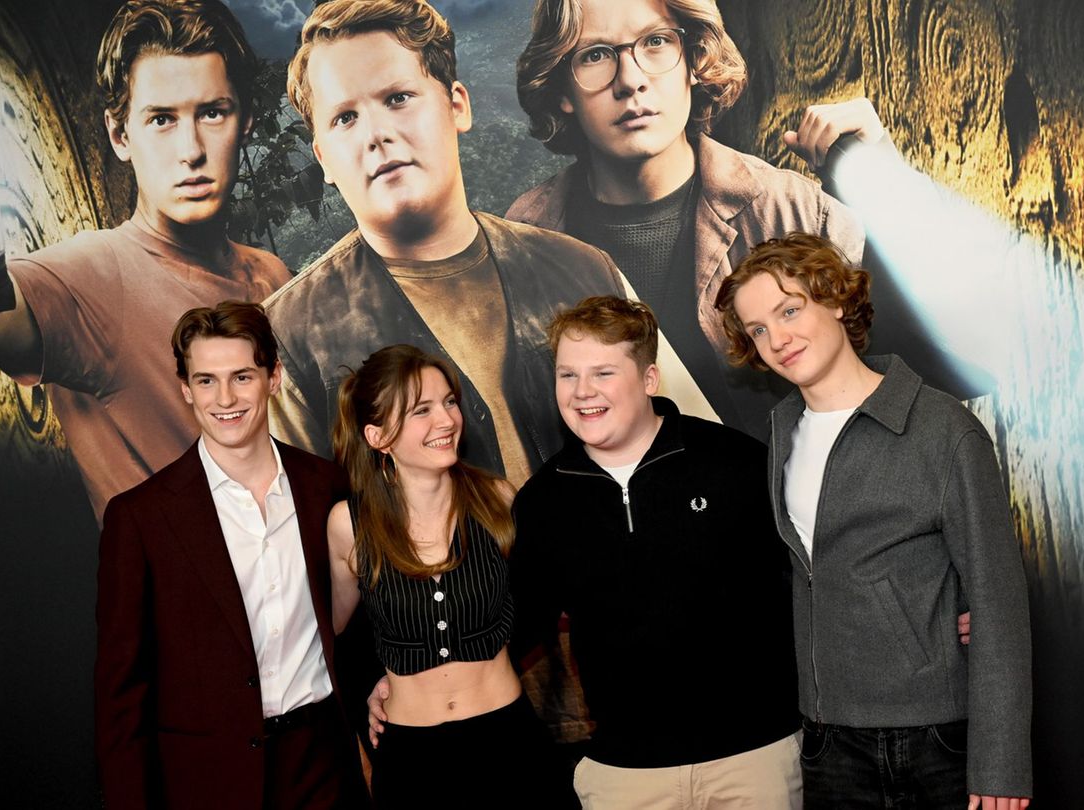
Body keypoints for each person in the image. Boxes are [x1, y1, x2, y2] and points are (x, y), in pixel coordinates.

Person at [0, 0, 288, 522]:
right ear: (120, 135)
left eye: (212, 112)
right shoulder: (96, 276)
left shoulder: (271, 276)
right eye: (161, 119)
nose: (191, 149)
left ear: (245, 121)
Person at [508, 0, 975, 437]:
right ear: (562, 90)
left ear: (694, 60)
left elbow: (955, 369)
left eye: (656, 42)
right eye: (595, 55)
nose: (631, 80)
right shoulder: (523, 238)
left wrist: (890, 184)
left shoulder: (790, 211)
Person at [716, 232, 1032, 810]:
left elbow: (998, 602)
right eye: (758, 329)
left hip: (934, 736)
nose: (777, 340)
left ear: (836, 300)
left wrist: (1001, 765)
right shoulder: (782, 432)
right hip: (827, 738)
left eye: (789, 311)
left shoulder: (942, 429)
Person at [266, 0, 631, 488]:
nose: (377, 134)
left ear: (457, 105)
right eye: (345, 118)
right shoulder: (286, 338)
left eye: (398, 98)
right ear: (323, 159)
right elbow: (303, 525)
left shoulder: (585, 272)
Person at [510, 295, 803, 806]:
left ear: (649, 379)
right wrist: (406, 685)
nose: (582, 392)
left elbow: (810, 585)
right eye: (568, 375)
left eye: (603, 373)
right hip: (625, 773)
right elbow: (515, 628)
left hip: (753, 758)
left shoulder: (735, 463)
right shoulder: (543, 501)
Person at [95, 301, 367, 809]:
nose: (225, 399)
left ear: (273, 378)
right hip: (209, 779)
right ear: (186, 389)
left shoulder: (325, 486)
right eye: (206, 381)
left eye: (242, 377)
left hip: (324, 763)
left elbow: (356, 618)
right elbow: (121, 692)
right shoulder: (140, 518)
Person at [326, 343, 563, 807]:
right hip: (412, 760)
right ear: (378, 437)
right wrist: (372, 683)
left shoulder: (497, 500)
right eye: (422, 410)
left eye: (449, 402)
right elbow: (334, 633)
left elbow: (538, 602)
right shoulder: (349, 526)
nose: (447, 420)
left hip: (509, 743)